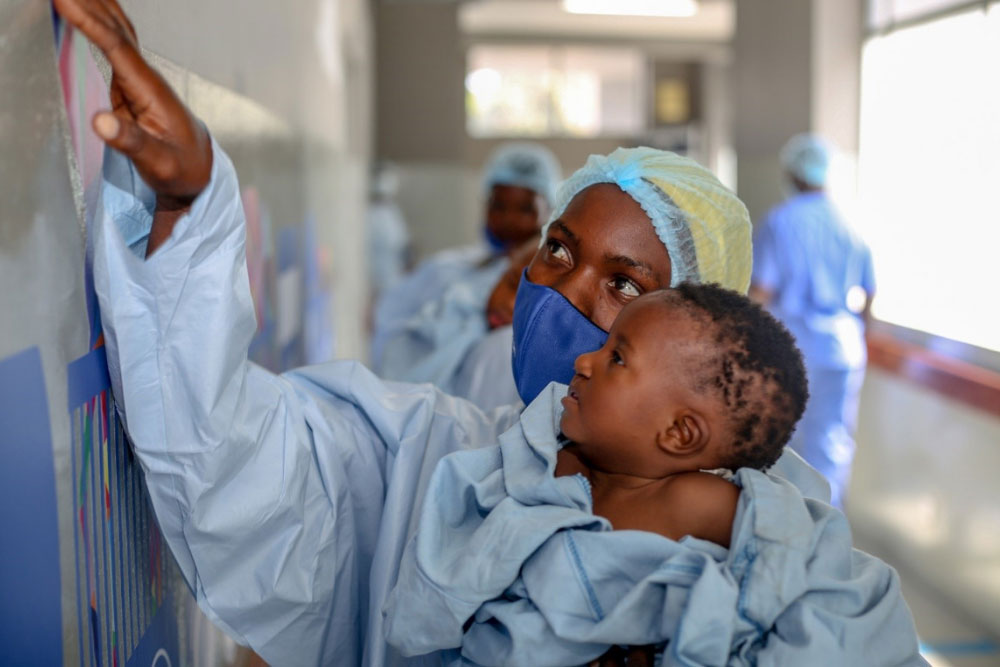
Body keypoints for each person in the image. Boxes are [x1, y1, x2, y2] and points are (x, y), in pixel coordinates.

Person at [53, 0, 918, 663]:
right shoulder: (434, 462)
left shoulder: (787, 552)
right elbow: (233, 456)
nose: (557, 293)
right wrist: (190, 208)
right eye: (559, 250)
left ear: (695, 333)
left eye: (623, 285)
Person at [385, 285, 921, 665]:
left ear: (680, 434)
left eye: (616, 357)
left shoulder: (695, 501)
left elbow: (782, 566)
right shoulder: (548, 465)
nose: (584, 361)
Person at [750, 133, 876, 508]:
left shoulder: (781, 221)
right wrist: (860, 336)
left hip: (793, 345)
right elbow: (868, 294)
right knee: (832, 441)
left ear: (792, 173)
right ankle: (829, 530)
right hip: (842, 348)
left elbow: (762, 291)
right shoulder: (848, 222)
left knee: (782, 439)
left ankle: (789, 530)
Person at [370, 142, 561, 372]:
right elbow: (391, 328)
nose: (509, 219)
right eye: (499, 205)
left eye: (525, 209)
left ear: (551, 209)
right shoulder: (445, 269)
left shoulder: (555, 285)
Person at [376, 237, 537, 393]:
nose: (510, 305)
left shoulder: (508, 352)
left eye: (530, 308)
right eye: (511, 283)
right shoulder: (459, 303)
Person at [366, 160, 412, 299]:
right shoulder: (368, 214)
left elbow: (401, 244)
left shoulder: (391, 211)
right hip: (376, 282)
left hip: (392, 281)